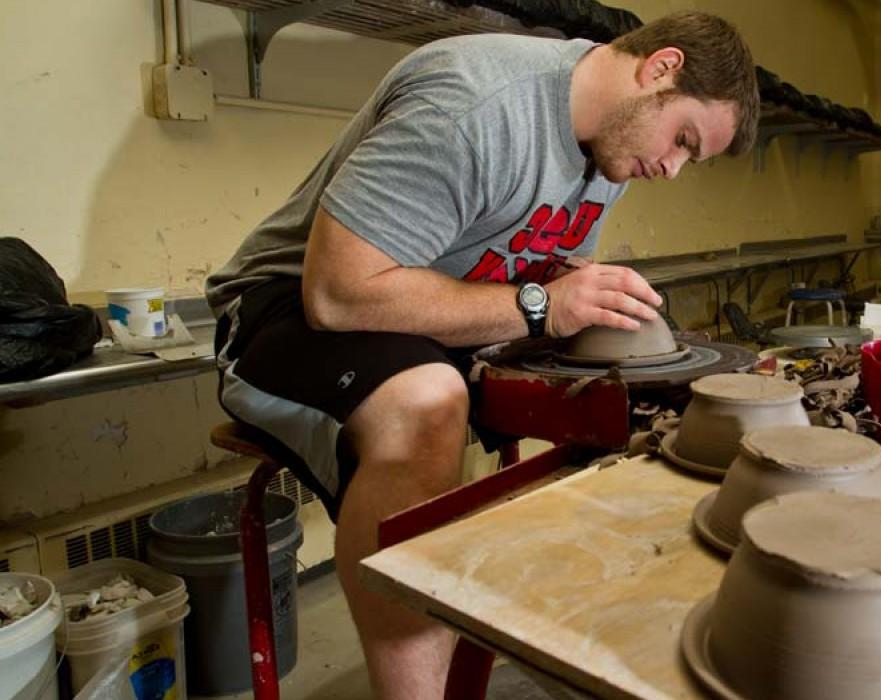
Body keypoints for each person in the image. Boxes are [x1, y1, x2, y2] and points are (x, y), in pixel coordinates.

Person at [205, 10, 758, 698]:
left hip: (415, 318)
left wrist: (575, 296)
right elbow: (339, 294)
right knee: (427, 405)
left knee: (612, 404)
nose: (672, 169)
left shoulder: (611, 145)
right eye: (682, 140)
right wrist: (541, 307)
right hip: (283, 306)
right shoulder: (475, 105)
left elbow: (521, 266)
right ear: (661, 68)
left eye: (689, 159)